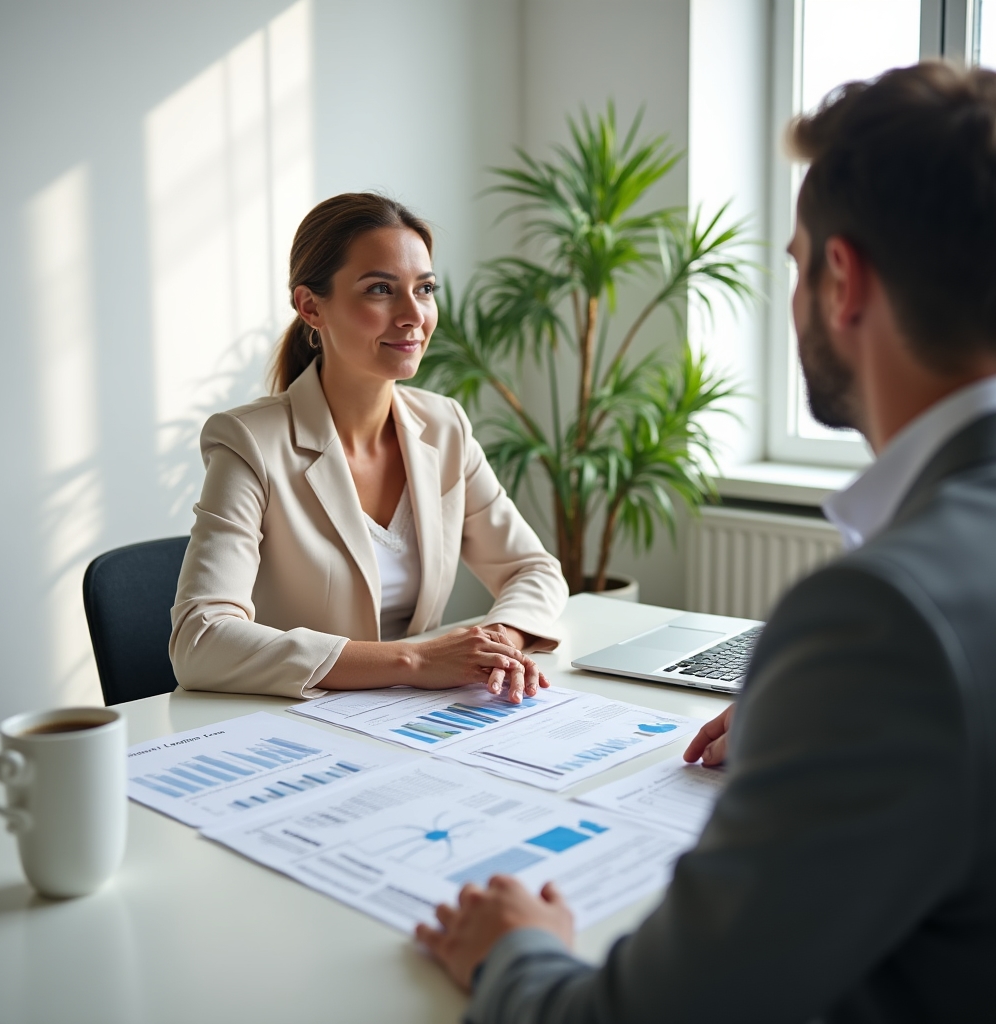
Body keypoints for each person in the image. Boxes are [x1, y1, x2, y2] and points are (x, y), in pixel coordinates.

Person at [416, 63, 996, 1021]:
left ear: (843, 281)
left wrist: (514, 951)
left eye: (799, 265)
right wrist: (821, 731)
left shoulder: (882, 617)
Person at [170, 193, 568, 703]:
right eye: (381, 289)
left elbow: (532, 569)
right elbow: (200, 640)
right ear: (311, 307)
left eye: (424, 289)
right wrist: (416, 661)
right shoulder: (250, 442)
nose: (412, 315)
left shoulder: (444, 426)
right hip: (299, 725)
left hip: (421, 718)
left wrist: (498, 646)